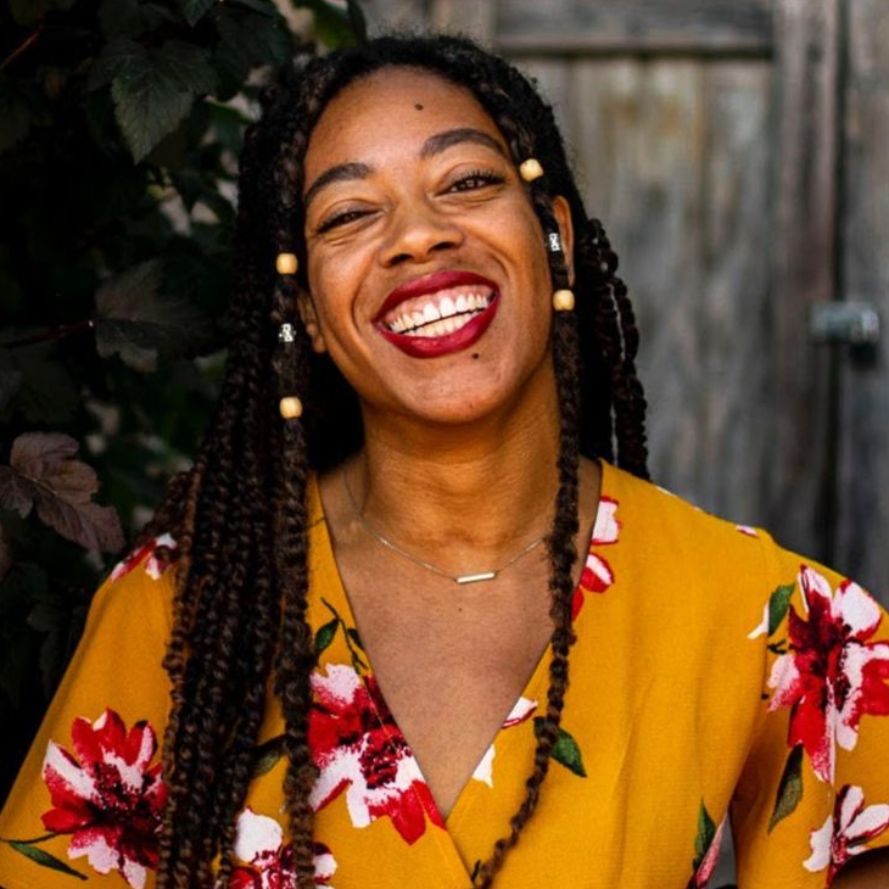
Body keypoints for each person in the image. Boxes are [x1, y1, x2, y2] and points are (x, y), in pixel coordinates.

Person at [1, 33, 888, 889]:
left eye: (464, 181)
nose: (417, 235)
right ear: (304, 310)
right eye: (349, 213)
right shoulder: (184, 605)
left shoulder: (773, 619)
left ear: (555, 236)